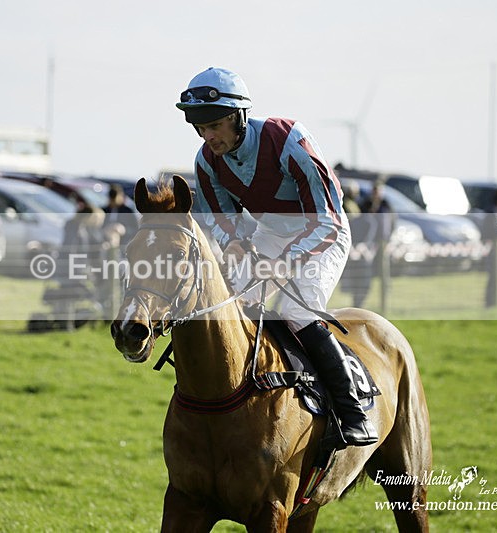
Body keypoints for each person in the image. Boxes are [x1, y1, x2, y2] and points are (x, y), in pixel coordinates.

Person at [176, 66, 376, 448]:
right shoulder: (206, 161)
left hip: (323, 232)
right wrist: (235, 245)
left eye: (215, 124)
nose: (208, 136)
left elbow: (328, 220)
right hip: (270, 234)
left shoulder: (288, 140)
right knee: (235, 304)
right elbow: (221, 222)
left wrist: (282, 263)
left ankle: (352, 411)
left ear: (239, 117)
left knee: (294, 311)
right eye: (200, 127)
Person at [101, 184, 139, 249]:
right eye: (111, 199)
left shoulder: (127, 211)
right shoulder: (104, 210)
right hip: (105, 244)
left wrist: (124, 230)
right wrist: (105, 230)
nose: (113, 202)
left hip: (123, 245)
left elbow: (136, 230)